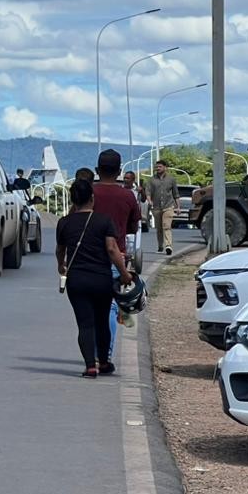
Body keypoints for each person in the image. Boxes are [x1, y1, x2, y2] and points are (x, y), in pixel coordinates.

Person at [56, 178, 134, 377]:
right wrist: (124, 274)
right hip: (101, 279)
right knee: (101, 321)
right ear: (92, 198)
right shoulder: (104, 221)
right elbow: (111, 249)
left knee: (85, 323)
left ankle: (90, 365)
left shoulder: (64, 222)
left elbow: (60, 250)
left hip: (77, 280)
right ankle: (104, 362)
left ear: (73, 200)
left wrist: (61, 266)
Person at [92, 150, 143, 356]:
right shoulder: (127, 195)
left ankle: (93, 354)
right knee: (110, 308)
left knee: (91, 310)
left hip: (89, 257)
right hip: (116, 257)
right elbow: (133, 226)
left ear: (97, 169)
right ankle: (104, 354)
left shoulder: (89, 192)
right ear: (120, 171)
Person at [147, 159, 181, 255]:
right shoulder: (151, 180)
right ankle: (160, 246)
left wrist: (178, 207)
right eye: (156, 167)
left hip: (168, 206)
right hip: (156, 207)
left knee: (167, 226)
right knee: (159, 228)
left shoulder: (171, 179)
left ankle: (168, 246)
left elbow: (176, 194)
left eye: (160, 166)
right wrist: (150, 201)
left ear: (165, 168)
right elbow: (148, 192)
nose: (158, 168)